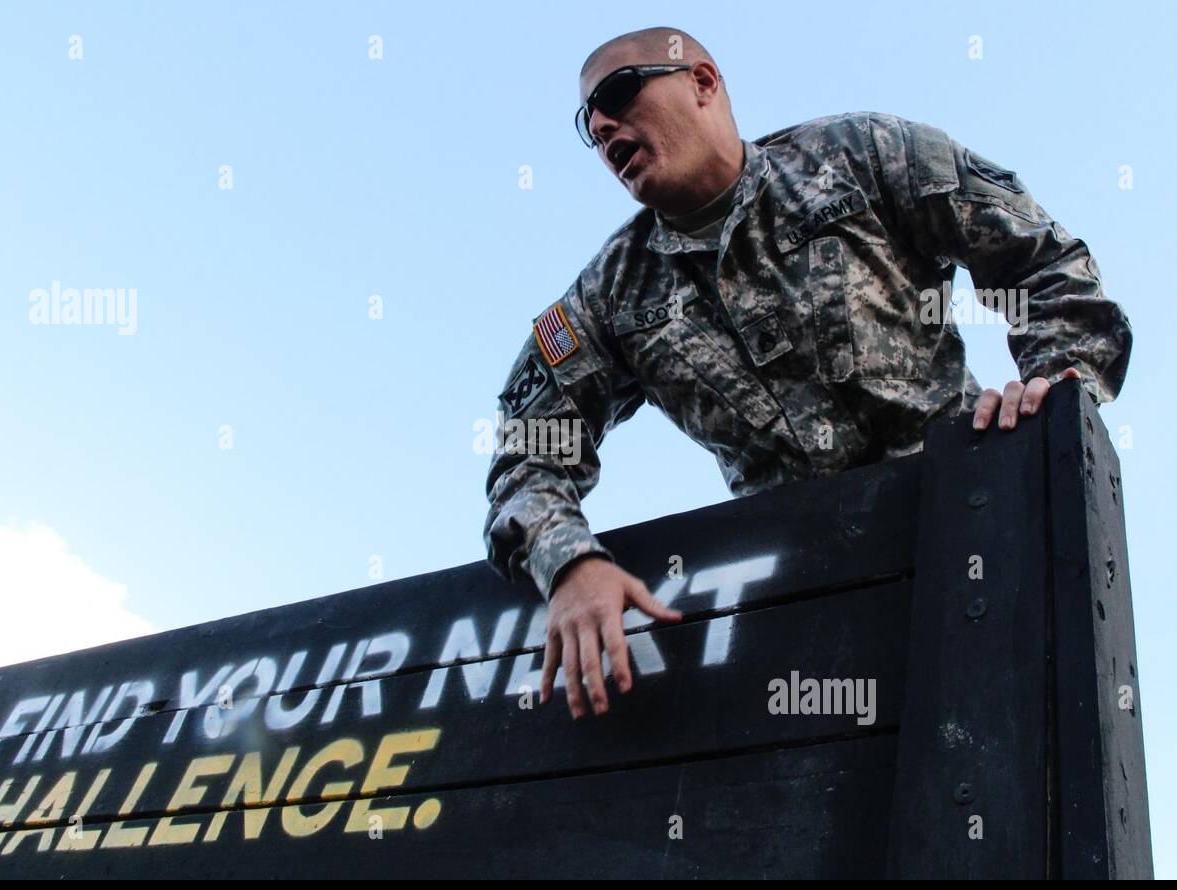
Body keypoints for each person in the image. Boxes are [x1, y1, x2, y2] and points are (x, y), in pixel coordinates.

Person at [483, 27, 1133, 720]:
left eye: (617, 92)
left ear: (703, 82)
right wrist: (572, 564)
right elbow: (528, 452)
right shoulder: (611, 297)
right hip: (800, 612)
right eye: (589, 122)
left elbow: (1042, 262)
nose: (604, 123)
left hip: (975, 545)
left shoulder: (862, 156)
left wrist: (1058, 380)